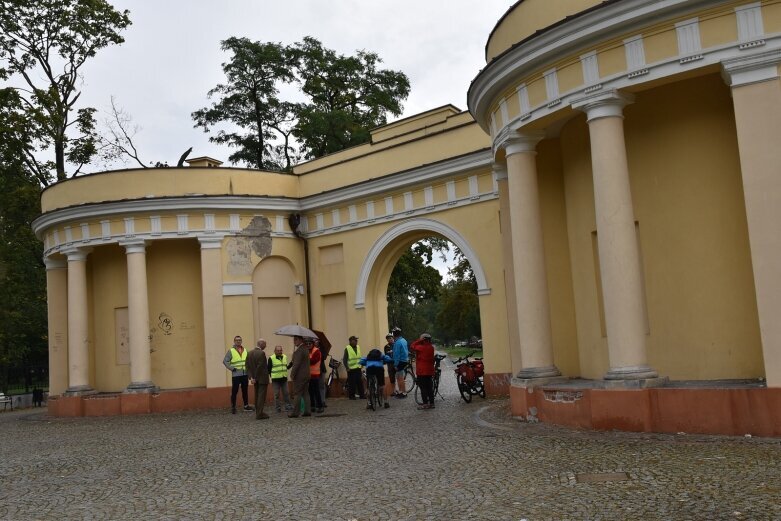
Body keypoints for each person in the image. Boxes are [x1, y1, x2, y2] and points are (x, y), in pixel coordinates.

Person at [223, 335, 252, 413]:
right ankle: (233, 407)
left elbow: (248, 361)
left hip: (244, 374)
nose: (238, 341)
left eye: (239, 340)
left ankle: (246, 406)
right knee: (234, 391)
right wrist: (232, 368)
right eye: (236, 340)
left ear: (241, 341)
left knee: (245, 391)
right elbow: (225, 361)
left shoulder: (245, 350)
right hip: (236, 375)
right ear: (234, 341)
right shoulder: (231, 351)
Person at [288, 335, 311, 418]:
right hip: (306, 375)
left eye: (296, 339)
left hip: (300, 376)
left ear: (301, 340)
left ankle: (295, 412)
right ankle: (307, 411)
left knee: (297, 393)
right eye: (294, 339)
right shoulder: (305, 349)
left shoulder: (299, 351)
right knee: (305, 393)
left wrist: (292, 374)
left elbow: (296, 364)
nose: (294, 341)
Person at [246, 338, 270, 419]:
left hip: (254, 379)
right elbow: (260, 367)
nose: (266, 346)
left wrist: (251, 378)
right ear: (261, 344)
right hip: (262, 378)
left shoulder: (249, 353)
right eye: (265, 344)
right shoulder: (261, 353)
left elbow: (247, 366)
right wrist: (255, 377)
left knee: (257, 396)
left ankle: (258, 412)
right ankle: (259, 414)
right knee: (261, 397)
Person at [410, 333, 435, 409]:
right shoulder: (431, 347)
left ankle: (425, 404)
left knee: (423, 388)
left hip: (422, 371)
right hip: (429, 370)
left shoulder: (420, 347)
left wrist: (419, 340)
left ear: (423, 340)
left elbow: (412, 346)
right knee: (429, 387)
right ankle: (432, 403)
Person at [268, 345, 293, 413]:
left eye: (280, 350)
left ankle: (288, 406)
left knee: (286, 393)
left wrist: (291, 363)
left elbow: (286, 367)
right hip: (275, 380)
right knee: (276, 395)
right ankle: (277, 408)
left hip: (284, 378)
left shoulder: (284, 357)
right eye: (278, 350)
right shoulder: (271, 358)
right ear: (275, 351)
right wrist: (272, 377)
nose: (279, 352)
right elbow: (269, 369)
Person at [343, 335, 365, 400]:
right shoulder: (347, 348)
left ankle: (362, 395)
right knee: (352, 383)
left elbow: (359, 357)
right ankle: (352, 396)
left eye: (356, 340)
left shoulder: (358, 347)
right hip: (351, 369)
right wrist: (347, 367)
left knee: (360, 382)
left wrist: (362, 364)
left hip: (358, 368)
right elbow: (345, 359)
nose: (356, 341)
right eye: (355, 340)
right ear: (351, 341)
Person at [308, 339, 325, 413]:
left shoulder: (317, 351)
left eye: (310, 343)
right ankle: (312, 406)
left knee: (316, 391)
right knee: (310, 391)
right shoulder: (307, 351)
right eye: (307, 344)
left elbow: (313, 361)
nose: (308, 345)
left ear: (313, 344)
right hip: (308, 374)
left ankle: (320, 406)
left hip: (315, 374)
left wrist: (305, 360)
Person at [392, 328, 409, 399]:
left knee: (399, 378)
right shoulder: (404, 340)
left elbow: (396, 354)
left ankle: (402, 392)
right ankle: (403, 392)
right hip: (405, 360)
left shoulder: (397, 342)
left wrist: (395, 364)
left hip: (400, 361)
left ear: (394, 334)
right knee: (401, 377)